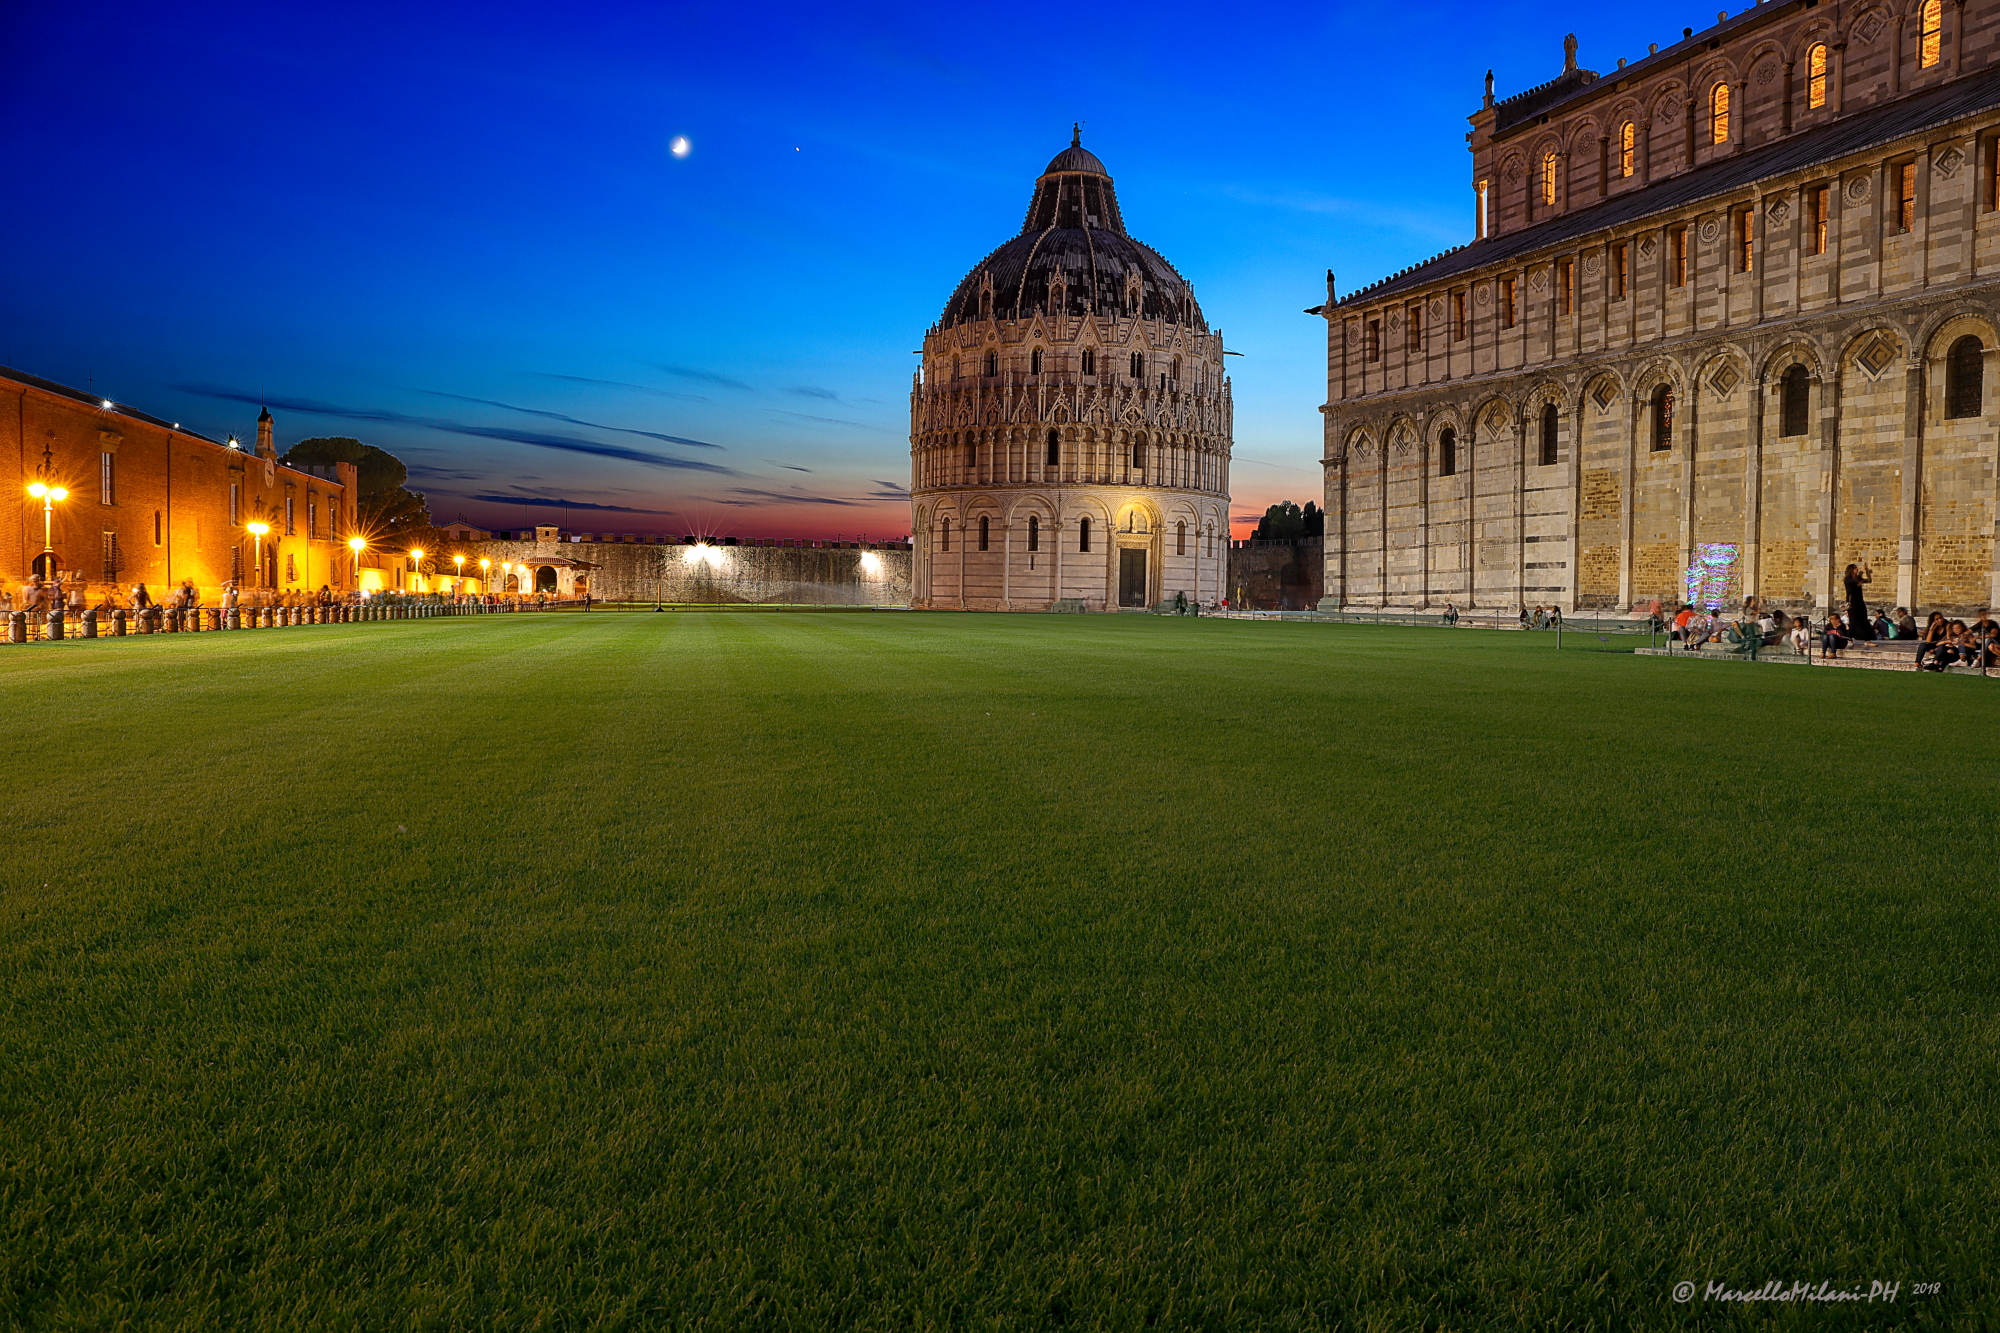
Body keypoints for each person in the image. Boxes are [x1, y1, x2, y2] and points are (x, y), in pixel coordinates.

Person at [1842, 562, 1875, 640]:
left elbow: (1869, 580)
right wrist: (1862, 572)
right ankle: (1849, 639)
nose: (1856, 569)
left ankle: (1867, 639)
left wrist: (1867, 572)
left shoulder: (1857, 578)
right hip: (1852, 603)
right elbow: (1855, 581)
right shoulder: (1848, 579)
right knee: (1853, 622)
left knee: (1864, 621)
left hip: (1860, 602)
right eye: (1854, 568)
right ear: (1851, 570)